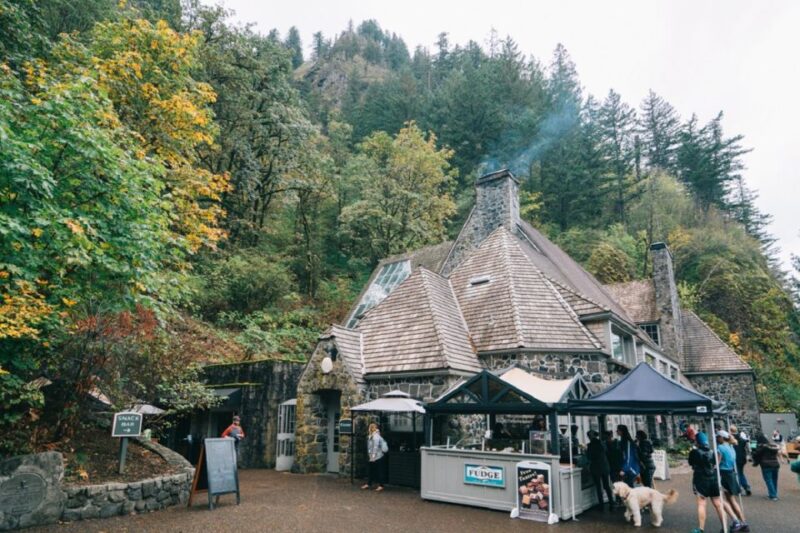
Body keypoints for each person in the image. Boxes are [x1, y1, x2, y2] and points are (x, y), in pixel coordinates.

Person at [688, 432, 726, 533]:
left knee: (701, 504)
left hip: (700, 479)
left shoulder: (695, 452)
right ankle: (725, 527)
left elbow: (691, 463)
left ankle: (701, 529)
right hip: (713, 478)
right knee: (718, 503)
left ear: (697, 441)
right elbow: (716, 461)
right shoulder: (712, 451)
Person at [716, 430, 750, 532]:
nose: (717, 438)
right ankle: (743, 522)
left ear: (721, 438)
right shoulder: (731, 447)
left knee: (721, 499)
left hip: (723, 474)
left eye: (718, 437)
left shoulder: (720, 448)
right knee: (732, 500)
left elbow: (717, 463)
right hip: (731, 473)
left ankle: (736, 522)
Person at [586, 430, 614, 509]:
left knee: (598, 487)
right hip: (605, 466)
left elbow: (589, 456)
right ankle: (611, 503)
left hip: (596, 468)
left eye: (588, 436)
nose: (588, 437)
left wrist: (586, 450)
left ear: (590, 436)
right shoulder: (602, 443)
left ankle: (601, 505)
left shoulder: (590, 445)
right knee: (607, 486)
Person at [752, 433, 781, 500]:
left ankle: (773, 495)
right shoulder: (773, 446)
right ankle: (774, 493)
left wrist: (753, 450)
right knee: (774, 480)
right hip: (775, 464)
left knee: (768, 480)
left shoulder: (762, 447)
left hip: (766, 465)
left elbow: (756, 454)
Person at [361, 423, 388, 492]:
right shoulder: (371, 435)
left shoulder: (376, 436)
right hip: (373, 456)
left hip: (378, 456)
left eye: (370, 428)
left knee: (379, 471)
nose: (369, 429)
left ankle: (381, 485)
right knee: (371, 470)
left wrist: (372, 457)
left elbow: (375, 447)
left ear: (372, 428)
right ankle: (369, 483)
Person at [729, 425, 752, 496]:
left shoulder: (731, 438)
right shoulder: (741, 438)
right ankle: (746, 486)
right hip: (742, 458)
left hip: (735, 458)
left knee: (737, 474)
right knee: (740, 473)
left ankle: (739, 489)